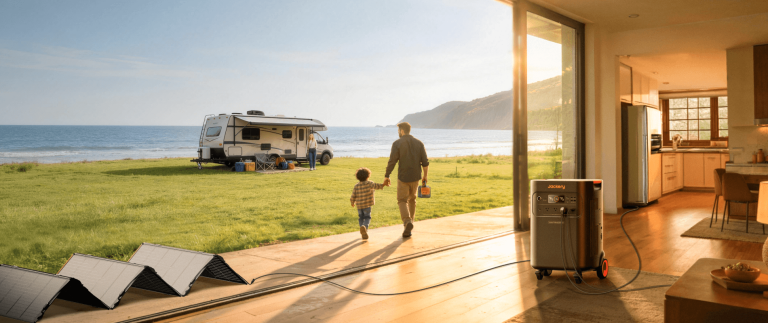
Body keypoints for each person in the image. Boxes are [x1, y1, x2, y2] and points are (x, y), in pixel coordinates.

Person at [384, 122, 429, 238]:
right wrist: (425, 176)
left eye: (398, 130)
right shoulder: (419, 143)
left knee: (402, 200)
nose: (398, 132)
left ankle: (407, 222)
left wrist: (387, 175)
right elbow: (425, 162)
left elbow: (392, 161)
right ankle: (408, 228)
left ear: (402, 131)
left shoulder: (397, 143)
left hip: (403, 178)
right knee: (412, 200)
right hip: (416, 177)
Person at [350, 167, 388, 240]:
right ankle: (365, 227)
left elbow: (353, 195)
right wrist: (383, 184)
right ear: (368, 176)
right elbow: (376, 186)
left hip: (359, 206)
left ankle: (362, 228)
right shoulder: (369, 183)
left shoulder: (356, 186)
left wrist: (352, 202)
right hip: (367, 205)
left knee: (361, 217)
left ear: (357, 177)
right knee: (367, 217)